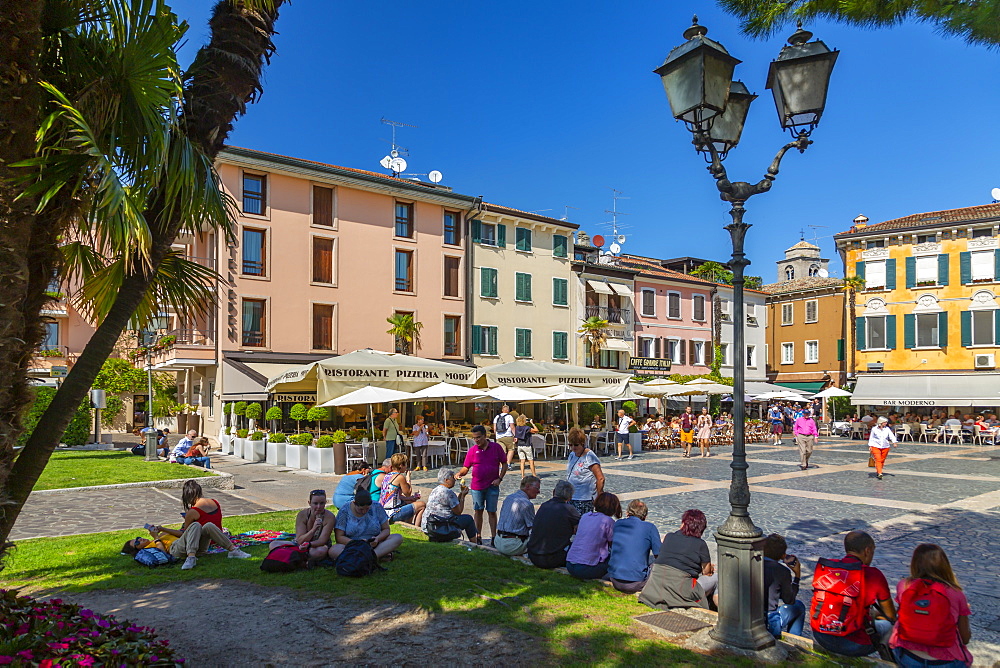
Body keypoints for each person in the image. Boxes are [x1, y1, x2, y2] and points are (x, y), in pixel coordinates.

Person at [811, 531, 895, 658]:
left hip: (821, 636)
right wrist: (877, 616)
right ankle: (889, 663)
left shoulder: (829, 569)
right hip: (853, 644)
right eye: (872, 551)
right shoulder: (873, 574)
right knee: (893, 626)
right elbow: (890, 615)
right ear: (867, 550)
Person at [890, 543, 973, 667]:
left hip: (909, 657)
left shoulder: (904, 586)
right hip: (945, 661)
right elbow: (965, 639)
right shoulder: (956, 593)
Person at [155, 480, 251, 570]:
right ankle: (191, 557)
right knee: (202, 525)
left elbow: (183, 534)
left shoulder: (193, 511)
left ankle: (232, 550)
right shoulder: (215, 502)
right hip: (207, 542)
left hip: (182, 549)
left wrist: (163, 529)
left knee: (200, 525)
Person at [639, 509, 717, 610]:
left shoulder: (669, 537)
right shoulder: (701, 544)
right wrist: (710, 568)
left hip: (655, 587)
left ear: (684, 523)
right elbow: (706, 572)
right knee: (717, 578)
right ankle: (723, 615)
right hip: (680, 590)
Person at [457, 424, 507, 541]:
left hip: (492, 486)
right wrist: (460, 473)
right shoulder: (472, 450)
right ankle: (478, 535)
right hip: (477, 486)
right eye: (474, 438)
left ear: (485, 436)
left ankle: (494, 537)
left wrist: (500, 478)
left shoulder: (496, 448)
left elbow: (504, 463)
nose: (476, 440)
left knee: (492, 511)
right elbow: (466, 467)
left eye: (478, 437)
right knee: (478, 510)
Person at [268, 489, 337, 565]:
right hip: (300, 544)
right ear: (309, 503)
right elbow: (299, 540)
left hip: (317, 546)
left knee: (320, 551)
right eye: (315, 503)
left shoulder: (329, 517)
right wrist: (313, 529)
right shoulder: (302, 515)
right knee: (273, 544)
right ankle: (303, 559)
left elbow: (322, 541)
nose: (318, 507)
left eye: (322, 503)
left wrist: (309, 545)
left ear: (326, 503)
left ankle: (294, 557)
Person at [329, 488, 402, 560]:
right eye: (361, 509)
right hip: (353, 545)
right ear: (354, 503)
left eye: (367, 509)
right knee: (334, 550)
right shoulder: (345, 510)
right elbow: (339, 537)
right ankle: (374, 556)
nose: (364, 511)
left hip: (374, 544)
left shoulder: (377, 506)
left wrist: (377, 539)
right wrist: (357, 543)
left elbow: (386, 529)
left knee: (397, 537)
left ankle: (368, 557)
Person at [608, 500, 662, 594]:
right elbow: (659, 555)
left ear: (627, 512)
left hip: (615, 578)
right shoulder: (650, 527)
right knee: (657, 566)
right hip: (636, 582)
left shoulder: (618, 524)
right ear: (645, 516)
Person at [566, 492, 621, 580]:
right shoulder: (608, 521)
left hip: (570, 564)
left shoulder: (585, 516)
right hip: (587, 568)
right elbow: (614, 545)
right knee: (616, 556)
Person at [526, 480, 580, 569]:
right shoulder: (569, 509)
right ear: (570, 497)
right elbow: (580, 530)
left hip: (534, 554)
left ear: (554, 492)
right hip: (552, 558)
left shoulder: (544, 505)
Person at [762, 533, 805, 639]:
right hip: (769, 621)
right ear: (782, 555)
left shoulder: (752, 563)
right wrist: (797, 576)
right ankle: (794, 640)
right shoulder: (782, 571)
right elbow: (789, 600)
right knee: (799, 606)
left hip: (749, 615)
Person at [421, 468, 478, 542]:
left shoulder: (435, 490)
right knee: (468, 519)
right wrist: (463, 496)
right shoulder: (448, 492)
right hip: (440, 525)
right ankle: (474, 543)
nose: (454, 480)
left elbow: (454, 504)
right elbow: (458, 511)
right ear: (446, 480)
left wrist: (461, 494)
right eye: (452, 477)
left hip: (429, 524)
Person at [494, 475, 541, 556]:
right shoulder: (526, 504)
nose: (538, 491)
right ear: (527, 487)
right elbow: (533, 529)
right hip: (512, 545)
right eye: (537, 488)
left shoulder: (509, 498)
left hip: (498, 541)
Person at [378, 453, 425, 526]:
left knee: (410, 502)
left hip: (384, 511)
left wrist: (410, 498)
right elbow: (408, 492)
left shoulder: (387, 476)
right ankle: (416, 528)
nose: (406, 467)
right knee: (422, 505)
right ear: (401, 465)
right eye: (405, 464)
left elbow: (397, 496)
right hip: (392, 513)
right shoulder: (399, 477)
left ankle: (408, 525)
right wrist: (408, 478)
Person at [566, 427, 605, 515]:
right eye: (570, 445)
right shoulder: (572, 455)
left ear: (582, 443)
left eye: (576, 445)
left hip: (585, 498)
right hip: (572, 496)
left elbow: (600, 478)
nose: (573, 447)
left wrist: (599, 495)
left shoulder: (589, 456)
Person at [868, 416, 897, 480]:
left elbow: (891, 436)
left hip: (885, 446)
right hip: (875, 446)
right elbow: (871, 438)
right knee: (878, 459)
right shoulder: (874, 429)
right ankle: (880, 473)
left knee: (882, 460)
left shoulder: (887, 429)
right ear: (880, 422)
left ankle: (879, 469)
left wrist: (894, 442)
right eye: (884, 422)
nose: (886, 423)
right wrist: (870, 445)